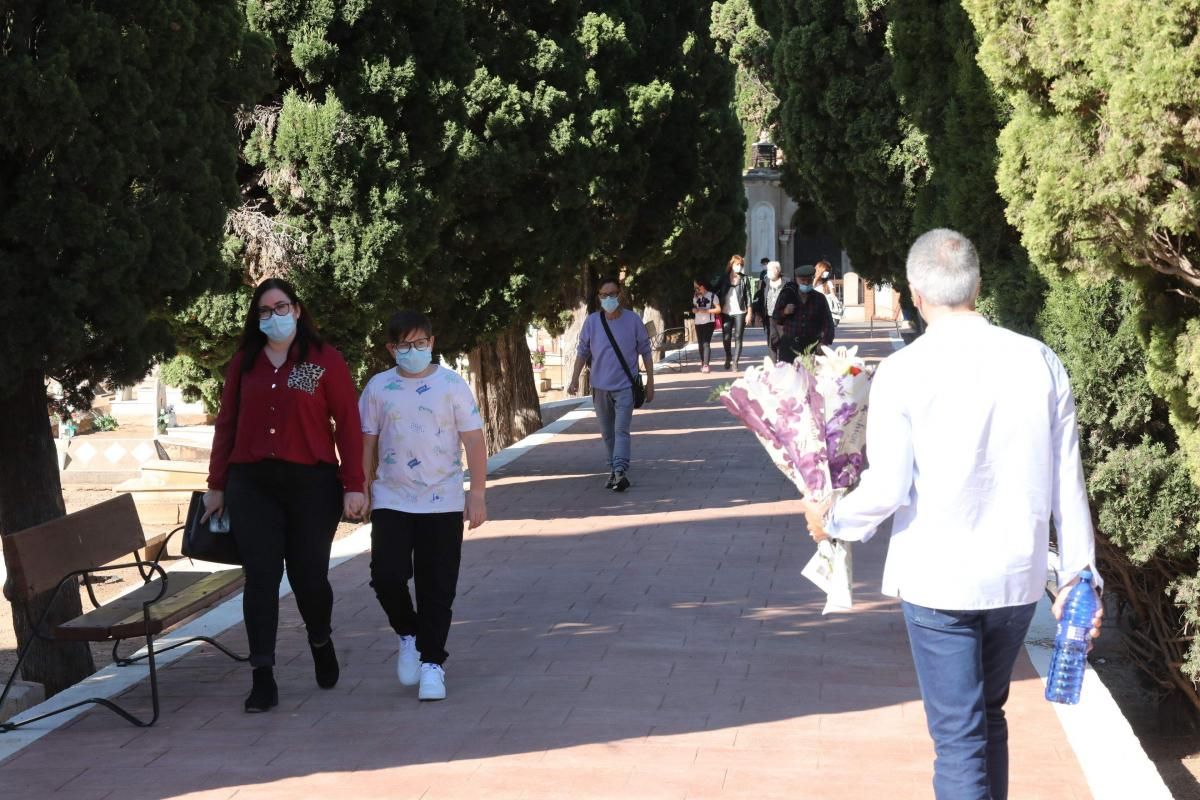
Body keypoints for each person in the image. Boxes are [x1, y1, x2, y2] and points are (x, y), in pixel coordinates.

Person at [800, 229, 1104, 800]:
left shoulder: (906, 371)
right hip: (1016, 578)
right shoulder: (1039, 361)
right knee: (989, 716)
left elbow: (888, 487)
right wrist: (1080, 578)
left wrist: (832, 519)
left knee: (960, 740)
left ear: (915, 292)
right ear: (978, 286)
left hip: (938, 582)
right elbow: (1069, 481)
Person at [205, 278, 367, 713]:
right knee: (261, 578)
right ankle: (263, 676)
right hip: (252, 483)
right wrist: (216, 485)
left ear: (297, 310)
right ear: (255, 318)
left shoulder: (324, 360)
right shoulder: (245, 363)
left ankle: (320, 639)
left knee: (308, 576)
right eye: (264, 311)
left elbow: (347, 424)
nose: (272, 316)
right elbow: (227, 424)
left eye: (280, 307)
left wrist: (355, 484)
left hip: (311, 484)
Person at [359, 310, 488, 702]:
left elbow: (474, 440)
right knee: (386, 575)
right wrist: (362, 489)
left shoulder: (451, 385)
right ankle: (408, 633)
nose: (412, 351)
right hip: (392, 499)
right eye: (404, 345)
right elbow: (366, 443)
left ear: (432, 344)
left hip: (443, 500)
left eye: (420, 344)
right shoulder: (379, 387)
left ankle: (433, 664)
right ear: (391, 348)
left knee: (437, 586)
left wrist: (477, 494)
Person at [567, 277, 654, 491]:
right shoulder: (592, 322)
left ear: (620, 294)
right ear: (599, 297)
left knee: (621, 430)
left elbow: (646, 351)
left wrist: (651, 381)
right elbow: (582, 352)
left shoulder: (633, 320)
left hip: (625, 386)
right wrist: (574, 379)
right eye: (604, 295)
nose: (609, 299)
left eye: (613, 294)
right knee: (608, 433)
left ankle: (619, 470)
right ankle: (614, 470)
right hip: (599, 387)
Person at [770, 263, 834, 363]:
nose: (806, 283)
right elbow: (775, 317)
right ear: (796, 280)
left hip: (811, 346)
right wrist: (785, 312)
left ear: (813, 279)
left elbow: (828, 322)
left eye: (809, 281)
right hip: (789, 346)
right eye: (802, 281)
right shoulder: (787, 295)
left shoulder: (819, 298)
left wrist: (824, 342)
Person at [712, 255, 754, 371]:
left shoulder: (744, 279)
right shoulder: (724, 278)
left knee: (738, 336)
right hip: (726, 311)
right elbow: (714, 290)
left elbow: (749, 297)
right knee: (726, 337)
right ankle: (728, 356)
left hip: (740, 311)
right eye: (737, 264)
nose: (739, 267)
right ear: (731, 265)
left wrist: (749, 313)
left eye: (741, 265)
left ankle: (735, 362)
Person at [753, 260, 786, 361]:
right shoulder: (765, 282)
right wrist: (757, 314)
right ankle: (773, 362)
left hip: (783, 316)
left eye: (771, 270)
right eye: (768, 270)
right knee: (771, 338)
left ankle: (782, 361)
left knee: (782, 338)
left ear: (777, 270)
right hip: (769, 315)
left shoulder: (787, 281)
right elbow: (759, 298)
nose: (769, 272)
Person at [691, 278, 720, 373]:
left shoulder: (712, 296)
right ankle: (703, 361)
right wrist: (694, 310)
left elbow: (718, 309)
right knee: (700, 344)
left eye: (698, 288)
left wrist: (706, 311)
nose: (697, 290)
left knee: (706, 343)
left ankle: (706, 364)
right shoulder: (695, 297)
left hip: (709, 322)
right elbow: (694, 307)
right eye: (695, 289)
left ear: (703, 286)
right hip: (698, 322)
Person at [814, 260, 844, 328]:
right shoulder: (812, 282)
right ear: (820, 270)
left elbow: (833, 296)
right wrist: (815, 279)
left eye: (828, 271)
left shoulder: (828, 283)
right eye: (825, 271)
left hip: (826, 310)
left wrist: (838, 305)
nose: (827, 273)